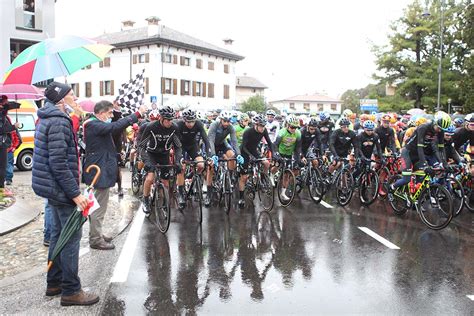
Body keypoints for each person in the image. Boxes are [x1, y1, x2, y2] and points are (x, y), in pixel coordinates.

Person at [32, 82, 99, 306]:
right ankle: (71, 290)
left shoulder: (46, 117)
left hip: (51, 187)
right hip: (60, 189)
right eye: (71, 95)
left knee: (58, 236)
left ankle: (55, 283)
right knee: (71, 238)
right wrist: (74, 194)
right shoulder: (59, 122)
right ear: (60, 99)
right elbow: (59, 163)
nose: (75, 98)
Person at [82, 101, 146, 250]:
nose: (111, 116)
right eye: (110, 113)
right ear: (102, 113)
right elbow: (115, 126)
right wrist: (137, 114)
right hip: (99, 170)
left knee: (96, 205)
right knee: (98, 206)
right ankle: (96, 239)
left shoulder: (95, 124)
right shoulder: (93, 124)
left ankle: (96, 234)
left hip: (100, 168)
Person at [141, 106, 183, 215]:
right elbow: (141, 147)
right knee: (150, 178)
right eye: (167, 120)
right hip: (151, 154)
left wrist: (178, 161)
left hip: (164, 154)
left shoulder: (174, 128)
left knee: (166, 181)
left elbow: (178, 147)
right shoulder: (151, 127)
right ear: (161, 118)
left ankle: (165, 202)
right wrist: (146, 162)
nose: (170, 122)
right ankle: (145, 200)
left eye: (171, 120)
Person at [174, 109, 211, 209]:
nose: (190, 124)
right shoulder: (179, 125)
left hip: (192, 146)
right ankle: (181, 194)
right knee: (181, 167)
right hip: (180, 146)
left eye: (192, 121)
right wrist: (179, 157)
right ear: (184, 120)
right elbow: (175, 142)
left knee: (201, 164)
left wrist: (208, 154)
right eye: (188, 121)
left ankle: (192, 176)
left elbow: (206, 140)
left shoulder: (198, 124)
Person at [205, 111, 243, 207]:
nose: (226, 123)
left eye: (228, 121)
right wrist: (213, 155)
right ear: (221, 120)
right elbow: (210, 140)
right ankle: (209, 194)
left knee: (232, 156)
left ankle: (229, 177)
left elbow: (234, 141)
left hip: (222, 144)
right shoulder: (214, 125)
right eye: (225, 121)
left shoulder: (230, 127)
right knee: (211, 167)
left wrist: (238, 154)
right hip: (212, 145)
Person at [238, 114, 276, 208]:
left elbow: (269, 143)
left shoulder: (264, 131)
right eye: (261, 126)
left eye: (264, 126)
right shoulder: (248, 131)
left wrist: (274, 153)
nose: (263, 128)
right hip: (245, 151)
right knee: (244, 177)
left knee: (266, 163)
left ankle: (263, 177)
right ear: (256, 125)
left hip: (254, 150)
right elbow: (243, 146)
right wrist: (250, 156)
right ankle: (241, 197)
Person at [0, 95, 20, 204]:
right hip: (1, 144)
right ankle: (1, 189)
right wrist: (14, 126)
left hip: (3, 143)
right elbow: (2, 129)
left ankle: (2, 188)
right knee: (2, 167)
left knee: (3, 166)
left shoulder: (3, 115)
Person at [5, 115, 22, 185]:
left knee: (8, 165)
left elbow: (17, 139)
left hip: (9, 150)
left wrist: (14, 147)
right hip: (5, 149)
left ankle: (8, 179)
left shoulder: (12, 129)